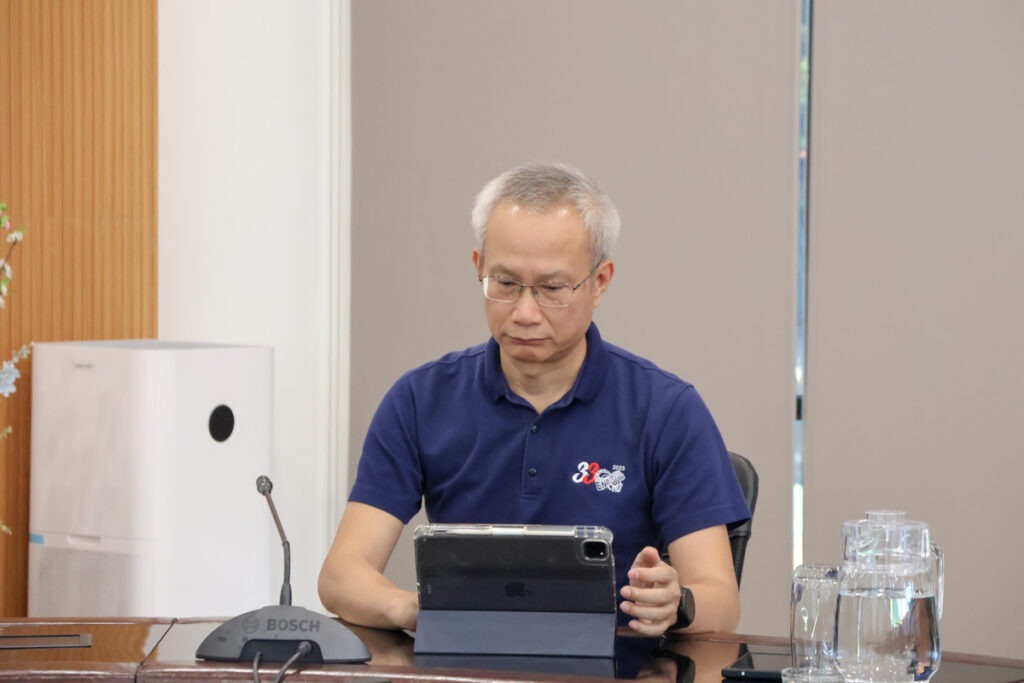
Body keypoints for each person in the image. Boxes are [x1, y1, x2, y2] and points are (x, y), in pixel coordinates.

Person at [319, 162, 750, 637]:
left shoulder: (666, 410)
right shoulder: (421, 400)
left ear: (600, 282)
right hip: (465, 663)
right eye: (505, 284)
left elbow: (721, 601)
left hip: (617, 665)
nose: (525, 313)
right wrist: (415, 610)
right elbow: (342, 575)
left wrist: (675, 603)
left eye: (552, 288)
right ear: (478, 267)